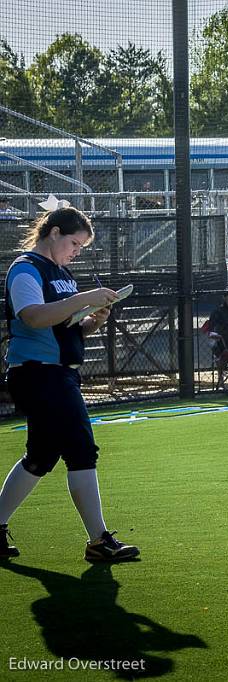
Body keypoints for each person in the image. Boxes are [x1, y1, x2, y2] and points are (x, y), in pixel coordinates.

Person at [0, 205, 139, 562]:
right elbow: (32, 317)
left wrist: (91, 321)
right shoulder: (26, 269)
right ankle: (98, 540)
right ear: (55, 233)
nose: (77, 252)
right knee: (80, 450)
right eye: (75, 243)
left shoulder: (62, 273)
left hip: (57, 372)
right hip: (38, 373)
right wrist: (83, 299)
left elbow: (65, 327)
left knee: (41, 456)